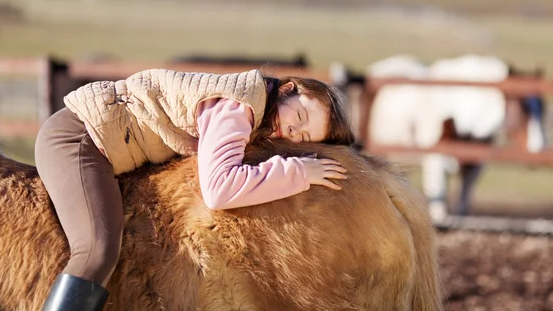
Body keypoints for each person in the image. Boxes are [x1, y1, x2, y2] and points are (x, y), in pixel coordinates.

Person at [34, 68, 355, 311]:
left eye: (302, 137)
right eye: (298, 116)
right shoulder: (237, 107)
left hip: (106, 147)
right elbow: (219, 188)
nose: (292, 130)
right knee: (97, 249)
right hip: (79, 140)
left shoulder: (253, 109)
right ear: (287, 89)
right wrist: (298, 171)